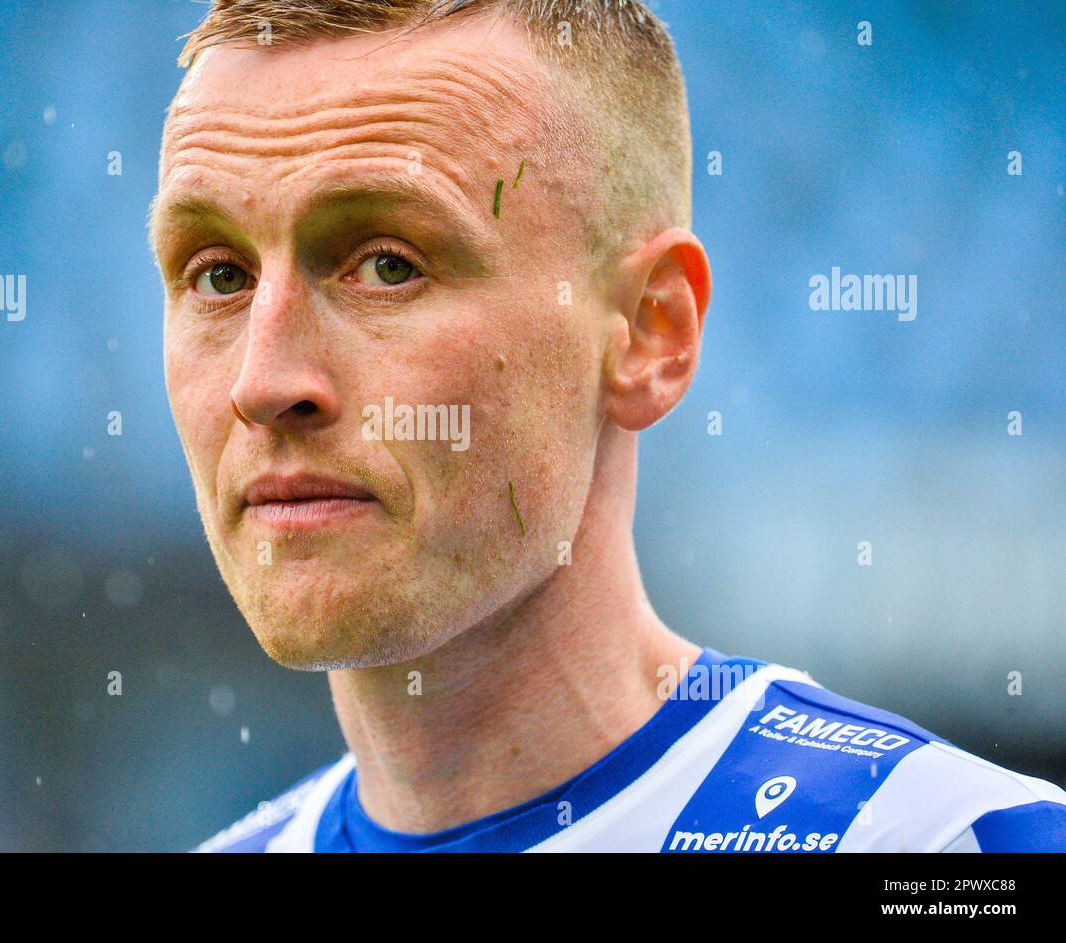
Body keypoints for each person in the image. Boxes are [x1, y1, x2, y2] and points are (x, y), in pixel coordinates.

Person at [148, 0, 1066, 852]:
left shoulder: (949, 847)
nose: (263, 383)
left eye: (388, 265)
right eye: (218, 274)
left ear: (651, 331)